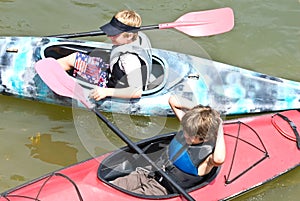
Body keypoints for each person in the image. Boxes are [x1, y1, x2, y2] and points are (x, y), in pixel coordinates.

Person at [110, 95, 226, 195]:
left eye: (189, 134)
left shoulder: (207, 158)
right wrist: (204, 113)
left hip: (160, 190)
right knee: (110, 187)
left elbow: (219, 159)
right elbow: (173, 101)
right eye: (185, 129)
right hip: (148, 172)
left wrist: (219, 126)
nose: (185, 133)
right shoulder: (190, 128)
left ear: (204, 138)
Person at [57, 9, 152, 101]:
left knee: (70, 62)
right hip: (113, 72)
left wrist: (106, 92)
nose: (109, 36)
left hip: (111, 85)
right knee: (73, 58)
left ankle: (46, 82)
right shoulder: (139, 36)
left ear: (129, 35)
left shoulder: (129, 59)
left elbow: (136, 92)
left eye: (114, 34)